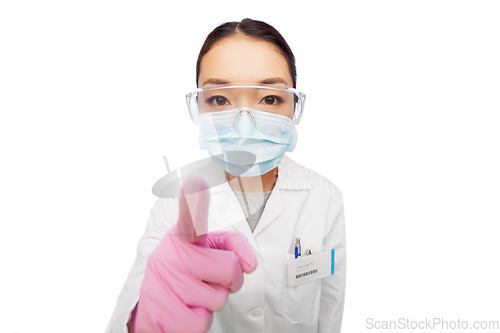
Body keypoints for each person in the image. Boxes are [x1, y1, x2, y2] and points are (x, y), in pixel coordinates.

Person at [106, 18, 346, 333]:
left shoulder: (323, 196)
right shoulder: (177, 200)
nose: (244, 125)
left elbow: (330, 311)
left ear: (294, 106)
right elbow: (127, 314)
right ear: (199, 107)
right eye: (220, 99)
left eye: (269, 99)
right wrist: (144, 319)